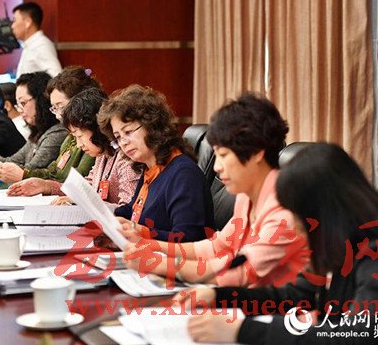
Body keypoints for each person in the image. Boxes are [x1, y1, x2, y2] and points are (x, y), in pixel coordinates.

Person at [176, 143, 378, 344]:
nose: (294, 225)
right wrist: (219, 296)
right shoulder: (341, 245)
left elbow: (355, 336)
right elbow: (294, 296)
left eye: (298, 215)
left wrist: (243, 331)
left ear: (325, 211)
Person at [122, 93, 307, 284]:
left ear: (256, 153)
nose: (217, 167)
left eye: (223, 155)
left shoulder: (284, 210)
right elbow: (216, 247)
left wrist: (158, 263)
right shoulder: (247, 197)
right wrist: (149, 245)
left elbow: (239, 275)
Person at [97, 84, 214, 242]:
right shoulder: (149, 168)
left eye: (128, 132)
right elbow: (133, 210)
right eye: (118, 137)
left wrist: (139, 232)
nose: (123, 142)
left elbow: (188, 239)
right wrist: (99, 215)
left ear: (152, 125)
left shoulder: (184, 174)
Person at [6, 66, 98, 195]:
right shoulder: (69, 138)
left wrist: (29, 177)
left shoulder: (92, 139)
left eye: (60, 107)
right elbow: (54, 171)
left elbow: (79, 180)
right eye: (54, 108)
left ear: (81, 102)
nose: (58, 116)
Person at [53, 87, 140, 206]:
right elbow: (91, 184)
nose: (79, 144)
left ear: (96, 128)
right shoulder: (102, 154)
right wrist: (73, 197)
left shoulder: (126, 157)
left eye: (79, 136)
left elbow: (128, 208)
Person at [0, 72, 67, 183]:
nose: (20, 110)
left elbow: (30, 170)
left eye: (23, 103)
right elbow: (12, 161)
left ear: (41, 100)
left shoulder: (57, 133)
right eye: (18, 105)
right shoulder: (38, 133)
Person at [12, 2, 62, 78]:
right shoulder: (30, 45)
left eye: (14, 20)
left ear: (28, 22)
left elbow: (57, 76)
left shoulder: (41, 45)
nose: (12, 26)